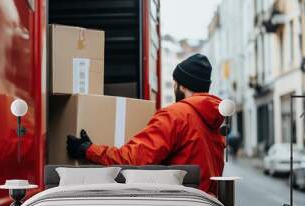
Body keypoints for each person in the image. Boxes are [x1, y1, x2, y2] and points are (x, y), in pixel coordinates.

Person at [66, 54, 225, 195]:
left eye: (174, 83)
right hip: (207, 203)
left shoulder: (176, 115)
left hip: (181, 204)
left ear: (182, 85)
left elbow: (134, 159)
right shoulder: (215, 119)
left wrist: (88, 149)